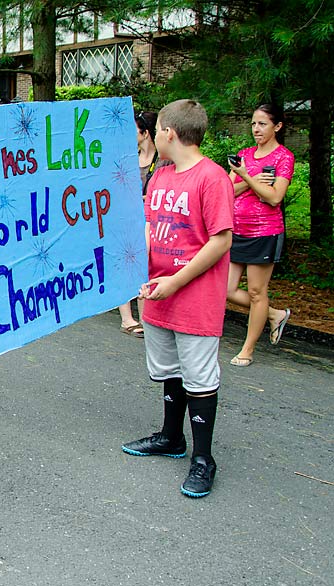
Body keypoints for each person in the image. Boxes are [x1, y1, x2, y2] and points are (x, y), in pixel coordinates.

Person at [121, 100, 234, 499]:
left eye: (158, 128)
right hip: (159, 296)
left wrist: (176, 280)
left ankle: (204, 458)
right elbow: (152, 229)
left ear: (168, 132)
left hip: (194, 299)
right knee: (168, 368)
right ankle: (171, 437)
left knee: (200, 376)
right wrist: (140, 273)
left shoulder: (212, 178)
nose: (154, 133)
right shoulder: (160, 178)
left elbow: (221, 240)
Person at [225, 103, 294, 366]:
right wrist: (249, 179)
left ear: (277, 127)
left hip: (264, 231)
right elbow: (228, 191)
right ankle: (275, 314)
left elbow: (275, 197)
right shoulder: (245, 154)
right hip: (237, 228)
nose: (256, 129)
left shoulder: (283, 157)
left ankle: (248, 349)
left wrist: (245, 177)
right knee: (225, 288)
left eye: (263, 124)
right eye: (254, 123)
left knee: (256, 292)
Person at [118, 110, 171, 338]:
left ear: (145, 133)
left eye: (135, 129)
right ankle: (127, 318)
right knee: (126, 264)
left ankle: (146, 316)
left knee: (146, 266)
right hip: (129, 218)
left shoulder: (164, 161)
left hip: (153, 220)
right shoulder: (129, 158)